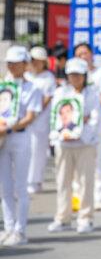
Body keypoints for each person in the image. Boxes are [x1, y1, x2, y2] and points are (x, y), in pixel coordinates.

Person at [47, 58, 101, 234]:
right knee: (63, 181)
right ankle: (62, 218)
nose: (75, 78)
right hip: (64, 143)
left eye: (78, 75)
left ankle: (86, 218)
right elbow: (56, 115)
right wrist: (63, 131)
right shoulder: (61, 92)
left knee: (85, 181)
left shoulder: (93, 93)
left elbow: (95, 119)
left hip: (85, 143)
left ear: (85, 75)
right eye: (72, 75)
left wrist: (79, 128)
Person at [0, 46, 42, 246]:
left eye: (16, 62)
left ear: (25, 64)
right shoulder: (2, 85)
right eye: (9, 62)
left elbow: (30, 117)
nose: (12, 65)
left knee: (20, 187)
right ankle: (8, 228)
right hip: (2, 140)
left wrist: (8, 129)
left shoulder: (33, 88)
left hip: (20, 138)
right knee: (4, 187)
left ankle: (20, 230)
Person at [73, 43, 101, 209]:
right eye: (79, 54)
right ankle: (77, 196)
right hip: (76, 124)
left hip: (96, 123)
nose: (83, 56)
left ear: (91, 54)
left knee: (97, 160)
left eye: (85, 53)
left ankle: (98, 197)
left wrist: (89, 111)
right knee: (76, 161)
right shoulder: (73, 73)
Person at [25, 46, 56, 194]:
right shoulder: (27, 76)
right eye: (33, 60)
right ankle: (26, 180)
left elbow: (47, 98)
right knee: (27, 151)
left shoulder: (48, 77)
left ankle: (36, 181)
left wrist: (34, 112)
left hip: (40, 121)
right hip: (25, 121)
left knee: (38, 151)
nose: (35, 63)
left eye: (38, 61)